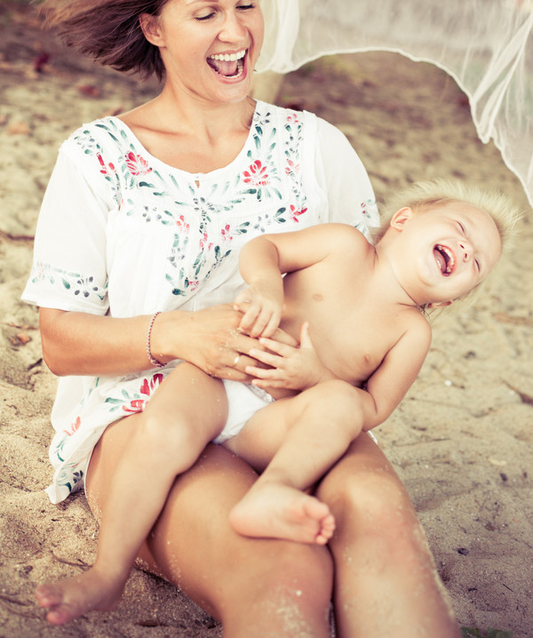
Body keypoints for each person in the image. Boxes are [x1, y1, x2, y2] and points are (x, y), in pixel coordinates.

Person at [25, 0, 463, 637]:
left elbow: (379, 305)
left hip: (296, 409)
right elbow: (61, 342)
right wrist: (179, 334)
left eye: (247, 5)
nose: (236, 33)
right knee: (282, 569)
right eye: (206, 14)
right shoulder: (97, 157)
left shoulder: (315, 147)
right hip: (148, 415)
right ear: (154, 27)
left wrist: (314, 377)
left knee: (380, 518)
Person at [32, 176, 517, 623]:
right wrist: (266, 284)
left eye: (477, 262)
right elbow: (265, 248)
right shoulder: (343, 245)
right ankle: (108, 571)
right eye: (460, 229)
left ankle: (273, 490)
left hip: (276, 420)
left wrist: (316, 376)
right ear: (404, 220)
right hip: (224, 373)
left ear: (449, 299)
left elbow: (373, 408)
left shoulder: (411, 332)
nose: (465, 248)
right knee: (164, 429)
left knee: (341, 404)